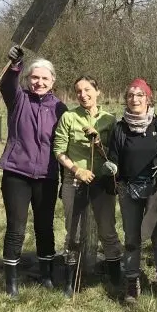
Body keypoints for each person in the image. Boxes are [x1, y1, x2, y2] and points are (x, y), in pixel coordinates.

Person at [0, 46, 67, 298]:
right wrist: (15, 64)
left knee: (45, 227)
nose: (39, 82)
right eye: (34, 77)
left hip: (47, 175)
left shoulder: (60, 109)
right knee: (16, 228)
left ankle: (46, 276)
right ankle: (11, 283)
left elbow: (66, 143)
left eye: (44, 78)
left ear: (53, 81)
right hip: (17, 173)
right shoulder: (18, 99)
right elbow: (6, 85)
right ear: (28, 79)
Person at [107, 78, 157, 304]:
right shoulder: (119, 129)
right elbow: (113, 158)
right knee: (131, 237)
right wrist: (110, 166)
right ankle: (132, 281)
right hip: (128, 190)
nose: (135, 99)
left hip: (155, 189)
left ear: (149, 98)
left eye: (140, 95)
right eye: (130, 95)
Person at [53, 76, 121, 297]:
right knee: (73, 233)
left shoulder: (110, 120)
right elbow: (59, 150)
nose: (83, 95)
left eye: (88, 89)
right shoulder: (68, 117)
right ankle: (70, 281)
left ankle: (115, 279)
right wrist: (77, 170)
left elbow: (114, 154)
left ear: (97, 91)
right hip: (75, 182)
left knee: (108, 231)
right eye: (79, 91)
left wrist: (99, 143)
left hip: (101, 183)